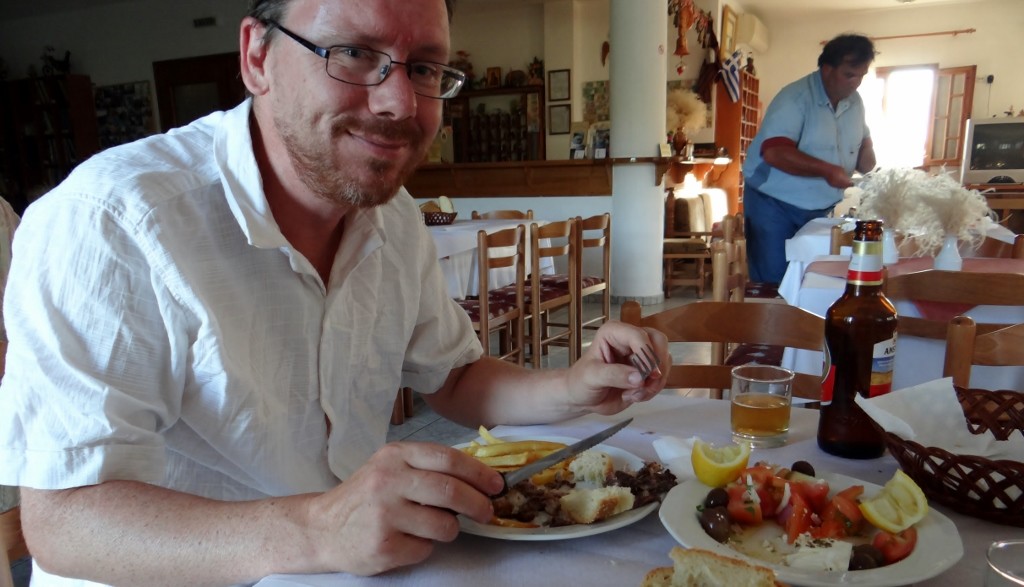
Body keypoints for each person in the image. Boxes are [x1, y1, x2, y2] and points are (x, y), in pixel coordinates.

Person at [0, 1, 669, 586]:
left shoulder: (394, 217)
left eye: (425, 68)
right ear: (257, 56)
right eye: (353, 52)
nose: (399, 103)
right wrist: (320, 528)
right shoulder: (111, 219)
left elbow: (455, 376)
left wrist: (572, 387)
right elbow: (64, 519)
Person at [741, 33, 877, 284]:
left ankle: (800, 322)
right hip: (773, 203)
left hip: (818, 207)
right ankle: (770, 321)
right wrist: (827, 170)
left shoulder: (854, 102)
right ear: (827, 70)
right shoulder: (794, 98)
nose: (856, 83)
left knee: (811, 278)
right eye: (849, 74)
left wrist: (868, 158)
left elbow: (863, 140)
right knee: (775, 280)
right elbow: (775, 152)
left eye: (861, 76)